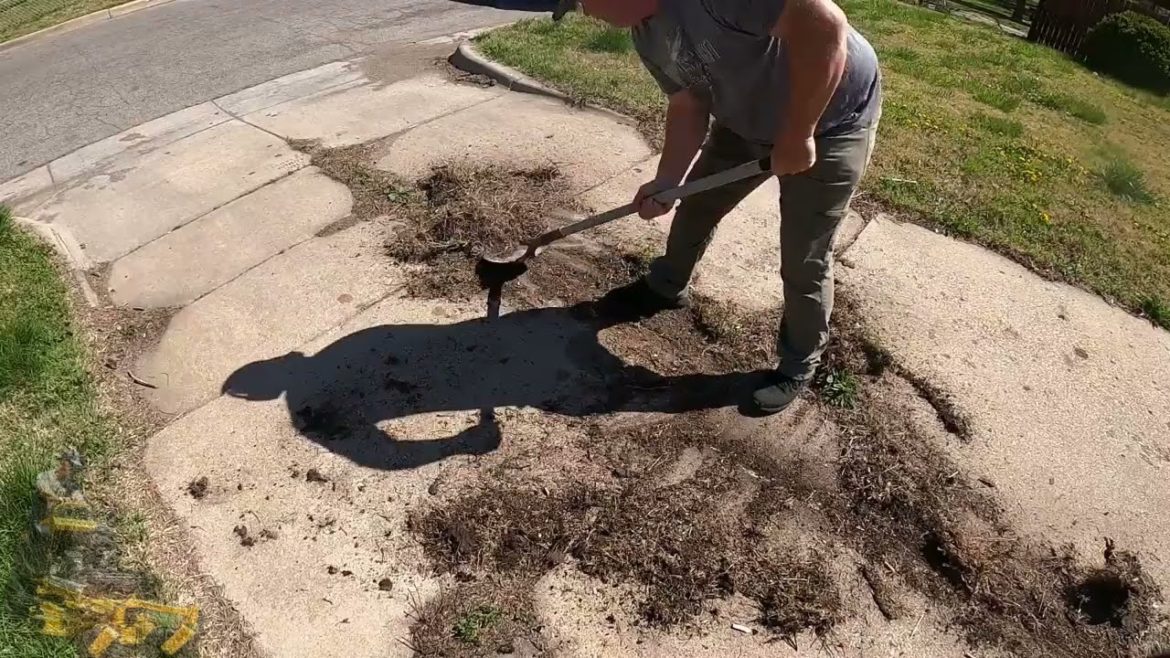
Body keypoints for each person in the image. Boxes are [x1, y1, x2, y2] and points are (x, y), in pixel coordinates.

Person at [557, 0, 881, 415]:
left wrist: (799, 134)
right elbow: (689, 102)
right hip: (746, 120)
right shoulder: (646, 34)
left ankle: (798, 364)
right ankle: (667, 286)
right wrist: (668, 182)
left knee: (805, 254)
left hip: (832, 119)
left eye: (583, 2)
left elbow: (824, 27)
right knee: (696, 206)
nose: (586, 13)